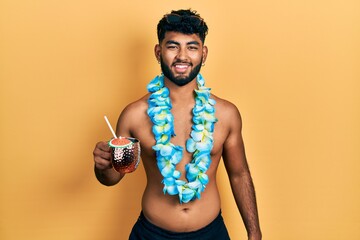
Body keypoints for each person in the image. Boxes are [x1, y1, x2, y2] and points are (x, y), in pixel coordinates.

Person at [93, 9, 262, 240]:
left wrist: (254, 233)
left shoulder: (226, 114)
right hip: (151, 234)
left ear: (203, 54)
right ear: (158, 51)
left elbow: (239, 174)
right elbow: (113, 177)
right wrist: (102, 167)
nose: (182, 56)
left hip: (211, 233)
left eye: (191, 47)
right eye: (173, 46)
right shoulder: (134, 115)